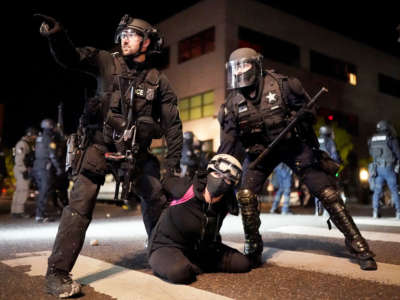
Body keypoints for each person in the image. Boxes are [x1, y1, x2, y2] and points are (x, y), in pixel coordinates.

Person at [35, 13, 182, 298]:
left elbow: (173, 125)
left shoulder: (158, 82)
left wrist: (173, 165)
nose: (124, 38)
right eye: (122, 34)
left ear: (148, 41)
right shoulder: (106, 60)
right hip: (98, 146)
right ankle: (57, 273)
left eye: (132, 34)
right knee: (80, 204)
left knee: (155, 197)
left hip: (135, 154)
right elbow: (70, 58)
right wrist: (57, 36)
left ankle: (160, 252)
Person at [218, 47, 377, 271]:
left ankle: (358, 244)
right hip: (260, 152)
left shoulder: (285, 85)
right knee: (245, 194)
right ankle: (253, 246)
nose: (241, 71)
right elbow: (228, 143)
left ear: (256, 65)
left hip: (293, 146)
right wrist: (218, 171)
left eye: (245, 65)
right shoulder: (232, 104)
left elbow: (311, 113)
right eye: (237, 67)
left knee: (328, 194)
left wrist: (302, 116)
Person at [148, 154, 251, 283]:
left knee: (243, 264)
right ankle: (185, 265)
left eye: (227, 179)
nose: (220, 181)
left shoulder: (226, 203)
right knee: (180, 273)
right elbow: (163, 183)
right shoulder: (186, 188)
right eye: (217, 174)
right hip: (167, 246)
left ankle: (193, 264)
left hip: (203, 249)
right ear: (208, 172)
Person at [33, 119, 64, 223]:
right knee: (45, 191)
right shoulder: (49, 139)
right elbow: (52, 155)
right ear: (50, 127)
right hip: (46, 167)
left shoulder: (39, 138)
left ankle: (40, 213)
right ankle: (40, 215)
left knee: (42, 190)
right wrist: (59, 168)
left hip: (37, 166)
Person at [368, 120, 400, 219]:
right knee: (394, 190)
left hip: (377, 168)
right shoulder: (390, 139)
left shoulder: (372, 139)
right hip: (389, 168)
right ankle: (399, 212)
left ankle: (375, 212)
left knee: (377, 191)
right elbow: (398, 154)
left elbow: (371, 153)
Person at [10, 127, 38, 218]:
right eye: (34, 135)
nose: (35, 137)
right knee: (23, 190)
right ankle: (19, 212)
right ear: (30, 134)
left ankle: (15, 211)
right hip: (21, 169)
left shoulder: (25, 143)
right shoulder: (22, 144)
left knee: (19, 190)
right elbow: (19, 159)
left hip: (20, 168)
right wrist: (24, 170)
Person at [315, 125, 341, 216]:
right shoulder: (330, 141)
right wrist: (337, 165)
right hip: (327, 167)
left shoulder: (316, 139)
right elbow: (334, 155)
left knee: (318, 188)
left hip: (317, 167)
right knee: (329, 188)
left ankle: (318, 210)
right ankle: (327, 211)